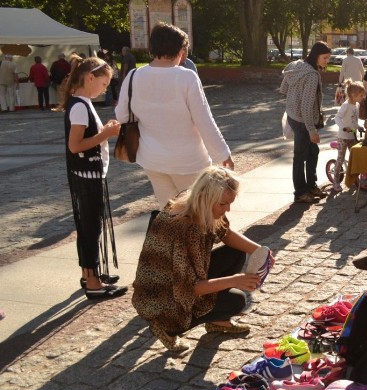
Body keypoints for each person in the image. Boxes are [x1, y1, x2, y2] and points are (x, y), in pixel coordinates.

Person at [131, 166, 273, 354]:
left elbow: (225, 233)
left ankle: (214, 320)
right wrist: (235, 280)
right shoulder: (186, 228)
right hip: (163, 302)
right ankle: (168, 328)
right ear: (206, 198)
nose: (227, 209)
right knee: (236, 301)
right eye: (222, 204)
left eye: (230, 203)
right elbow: (189, 288)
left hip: (174, 283)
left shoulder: (194, 205)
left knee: (236, 252)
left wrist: (260, 251)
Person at [116, 22, 233, 206]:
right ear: (180, 50)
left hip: (152, 158)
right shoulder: (186, 77)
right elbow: (204, 121)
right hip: (189, 161)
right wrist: (223, 154)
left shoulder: (133, 76)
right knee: (198, 214)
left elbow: (122, 115)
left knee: (169, 212)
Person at [60, 55, 127, 300]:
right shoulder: (79, 105)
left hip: (89, 173)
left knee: (88, 228)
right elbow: (75, 145)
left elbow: (86, 137)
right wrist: (106, 134)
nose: (105, 89)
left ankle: (90, 273)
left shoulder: (82, 103)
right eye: (103, 83)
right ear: (90, 78)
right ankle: (93, 283)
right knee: (90, 229)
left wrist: (103, 130)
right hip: (87, 176)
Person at [281, 41, 333, 204]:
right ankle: (300, 192)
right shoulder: (311, 75)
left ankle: (311, 186)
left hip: (293, 115)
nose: (327, 61)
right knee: (301, 155)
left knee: (312, 152)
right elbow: (306, 105)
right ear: (316, 56)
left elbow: (283, 88)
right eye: (325, 58)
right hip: (302, 119)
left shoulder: (296, 65)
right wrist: (312, 130)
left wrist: (293, 99)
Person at [331, 79, 366, 193]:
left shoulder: (357, 105)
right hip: (343, 136)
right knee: (340, 159)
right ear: (353, 95)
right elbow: (337, 117)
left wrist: (358, 127)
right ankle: (335, 181)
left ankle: (354, 178)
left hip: (352, 136)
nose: (362, 97)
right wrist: (343, 127)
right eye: (361, 95)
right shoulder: (346, 105)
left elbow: (354, 121)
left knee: (355, 157)